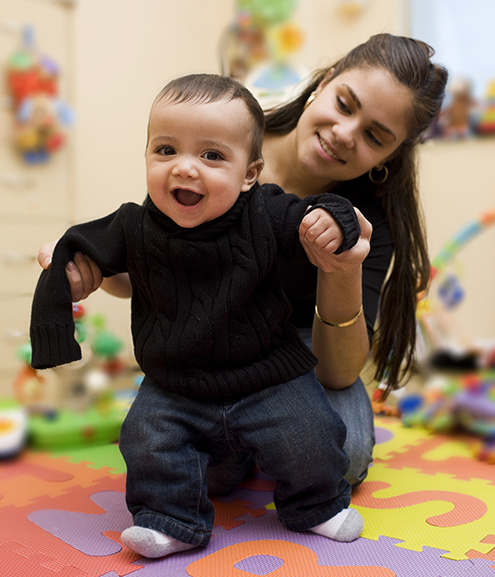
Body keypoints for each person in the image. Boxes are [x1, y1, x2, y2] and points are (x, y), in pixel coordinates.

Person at [37, 34, 448, 492]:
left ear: (391, 155)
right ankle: (250, 442)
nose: (344, 134)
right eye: (345, 104)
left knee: (343, 458)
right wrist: (91, 266)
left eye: (375, 136)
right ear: (324, 82)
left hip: (298, 347)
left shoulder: (369, 218)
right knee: (201, 471)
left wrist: (341, 267)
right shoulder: (226, 134)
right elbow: (145, 264)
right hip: (207, 332)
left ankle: (257, 438)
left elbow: (338, 373)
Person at [30, 73, 366, 559]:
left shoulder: (264, 212)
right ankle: (172, 518)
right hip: (175, 385)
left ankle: (315, 505)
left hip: (267, 377)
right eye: (166, 150)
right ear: (146, 155)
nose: (185, 168)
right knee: (146, 438)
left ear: (249, 174)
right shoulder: (133, 224)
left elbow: (318, 210)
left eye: (211, 156)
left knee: (310, 434)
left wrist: (334, 218)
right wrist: (68, 269)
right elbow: (81, 246)